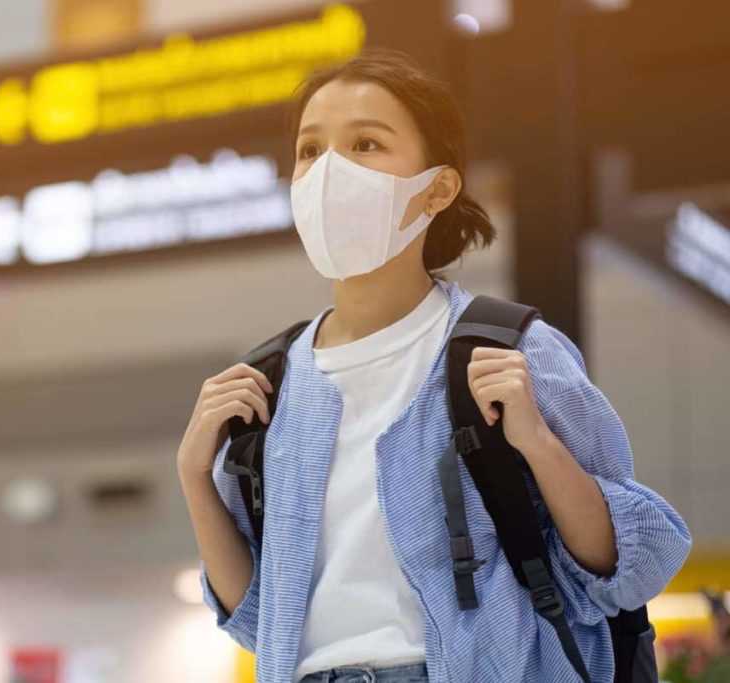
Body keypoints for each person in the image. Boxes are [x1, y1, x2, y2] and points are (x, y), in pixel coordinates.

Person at [177, 48, 691, 683]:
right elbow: (259, 619)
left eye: (366, 144)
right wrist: (196, 478)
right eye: (310, 151)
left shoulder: (509, 349)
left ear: (438, 188)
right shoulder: (272, 384)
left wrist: (535, 442)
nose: (329, 171)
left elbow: (628, 565)